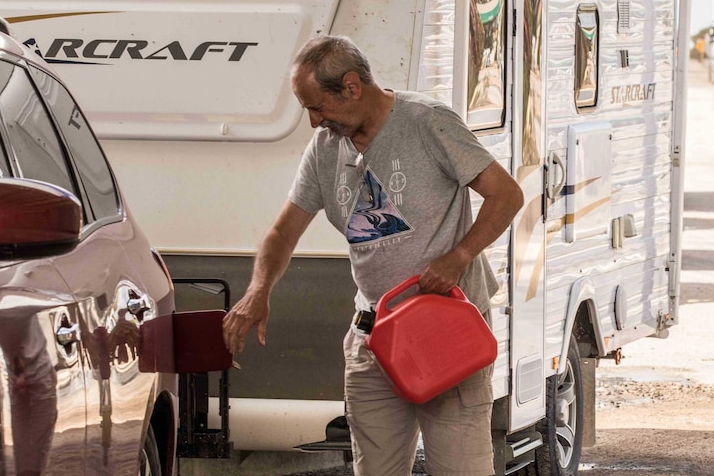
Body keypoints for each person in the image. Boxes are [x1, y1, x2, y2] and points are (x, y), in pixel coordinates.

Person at [222, 34, 523, 476]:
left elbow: (507, 195)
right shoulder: (325, 148)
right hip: (374, 338)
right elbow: (283, 231)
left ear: (351, 87)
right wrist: (258, 290)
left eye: (317, 107)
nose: (312, 121)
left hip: (446, 333)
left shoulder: (427, 122)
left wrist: (458, 257)